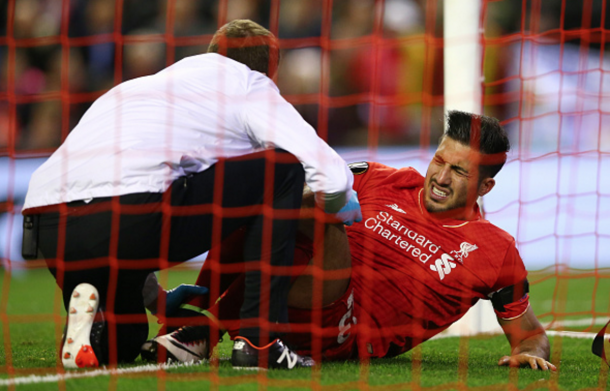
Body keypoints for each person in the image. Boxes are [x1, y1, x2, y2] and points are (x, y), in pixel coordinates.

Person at [21, 19, 361, 370]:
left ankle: (95, 324)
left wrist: (157, 299)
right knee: (283, 170)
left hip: (50, 226)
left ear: (211, 53)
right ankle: (260, 339)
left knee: (128, 339)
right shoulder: (247, 82)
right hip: (131, 214)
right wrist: (339, 205)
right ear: (269, 71)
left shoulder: (138, 87)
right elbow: (332, 176)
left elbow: (112, 183)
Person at [147, 110, 556, 371]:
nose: (442, 177)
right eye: (439, 160)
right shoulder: (380, 177)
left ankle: (210, 329)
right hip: (295, 291)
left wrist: (530, 354)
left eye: (460, 172)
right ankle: (192, 325)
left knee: (325, 212)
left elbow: (530, 334)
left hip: (347, 330)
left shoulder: (494, 250)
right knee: (272, 200)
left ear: (486, 185)